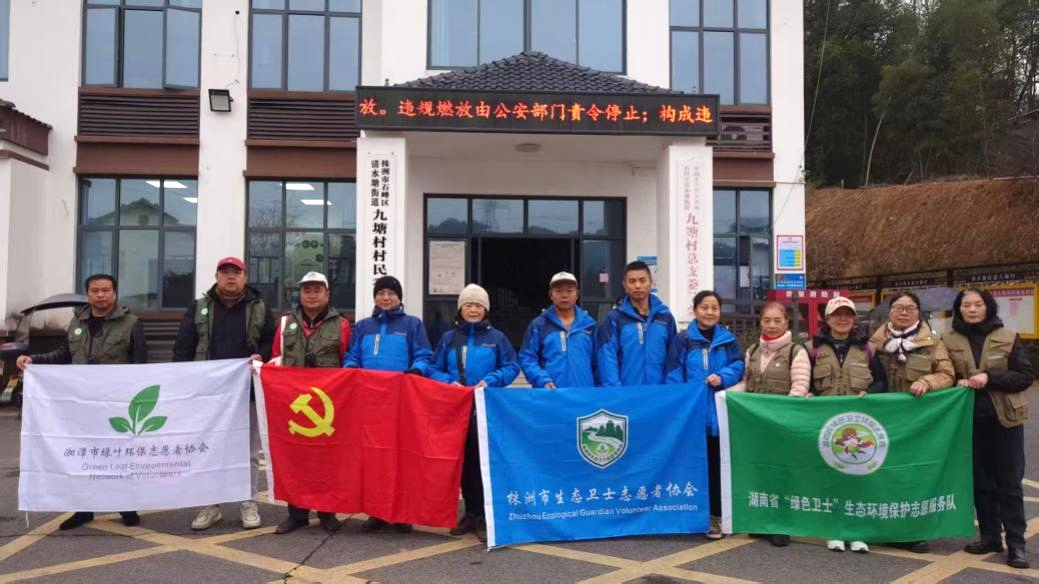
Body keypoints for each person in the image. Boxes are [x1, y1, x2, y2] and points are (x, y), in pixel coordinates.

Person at [16, 274, 147, 531]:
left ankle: (126, 505)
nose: (101, 295)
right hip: (81, 404)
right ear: (88, 294)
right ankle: (83, 508)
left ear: (114, 293)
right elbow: (64, 354)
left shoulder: (131, 323)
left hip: (115, 403)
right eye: (95, 290)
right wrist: (34, 360)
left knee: (118, 455)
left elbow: (140, 364)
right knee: (84, 455)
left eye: (106, 290)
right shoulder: (77, 322)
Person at [172, 256, 276, 531]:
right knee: (209, 449)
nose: (231, 277)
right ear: (217, 277)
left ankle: (248, 501)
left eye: (236, 272)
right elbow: (184, 345)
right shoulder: (199, 307)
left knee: (249, 451)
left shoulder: (260, 307)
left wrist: (262, 355)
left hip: (248, 390)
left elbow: (271, 341)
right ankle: (210, 504)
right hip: (209, 393)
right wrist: (181, 381)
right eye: (225, 272)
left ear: (245, 277)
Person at [942, 288, 1032, 569]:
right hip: (969, 422)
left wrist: (989, 377)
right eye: (966, 305)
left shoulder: (1008, 337)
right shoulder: (948, 339)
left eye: (977, 304)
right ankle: (990, 537)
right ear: (959, 309)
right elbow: (944, 373)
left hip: (1005, 421)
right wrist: (954, 381)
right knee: (981, 484)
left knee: (1009, 485)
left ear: (988, 307)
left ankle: (1016, 544)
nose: (972, 309)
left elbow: (1025, 376)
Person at [343, 275, 434, 533]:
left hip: (401, 401)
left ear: (399, 297)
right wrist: (351, 368)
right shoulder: (363, 326)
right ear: (374, 297)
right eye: (381, 293)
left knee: (402, 457)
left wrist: (416, 370)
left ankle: (402, 513)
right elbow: (352, 354)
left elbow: (424, 355)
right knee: (374, 458)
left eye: (391, 293)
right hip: (369, 403)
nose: (386, 297)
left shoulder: (412, 324)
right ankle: (377, 512)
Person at [430, 284, 520, 543]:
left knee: (482, 461)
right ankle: (469, 513)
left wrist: (491, 380)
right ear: (460, 308)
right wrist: (448, 383)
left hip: (486, 408)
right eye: (468, 304)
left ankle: (482, 515)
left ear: (486, 309)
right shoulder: (449, 338)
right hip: (455, 409)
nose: (473, 309)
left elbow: (512, 366)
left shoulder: (497, 338)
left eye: (478, 305)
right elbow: (433, 368)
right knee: (464, 462)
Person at [869, 291, 954, 554]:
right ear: (889, 311)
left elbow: (947, 374)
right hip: (881, 423)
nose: (903, 312)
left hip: (917, 423)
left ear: (919, 313)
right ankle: (880, 526)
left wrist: (927, 381)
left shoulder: (932, 342)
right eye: (898, 307)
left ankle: (912, 531)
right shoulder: (873, 343)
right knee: (880, 475)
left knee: (912, 476)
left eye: (909, 308)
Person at [269, 272, 351, 535]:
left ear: (327, 294)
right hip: (294, 404)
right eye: (307, 290)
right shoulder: (285, 323)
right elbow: (276, 358)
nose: (312, 295)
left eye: (317, 290)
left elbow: (346, 362)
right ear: (300, 294)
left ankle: (327, 512)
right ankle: (297, 513)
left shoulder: (341, 325)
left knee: (327, 459)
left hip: (327, 404)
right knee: (294, 458)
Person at [726, 301, 810, 548]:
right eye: (766, 320)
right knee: (759, 472)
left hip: (783, 426)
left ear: (786, 322)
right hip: (756, 425)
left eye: (777, 320)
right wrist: (724, 395)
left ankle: (782, 524)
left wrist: (783, 417)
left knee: (782, 474)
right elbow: (746, 383)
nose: (772, 325)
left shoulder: (796, 351)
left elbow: (799, 387)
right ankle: (762, 521)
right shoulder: (753, 350)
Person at [809, 296, 886, 553]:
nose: (842, 319)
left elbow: (881, 381)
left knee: (859, 477)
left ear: (854, 319)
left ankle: (857, 532)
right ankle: (834, 530)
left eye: (848, 314)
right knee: (830, 477)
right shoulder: (812, 348)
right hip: (826, 424)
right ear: (827, 319)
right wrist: (809, 394)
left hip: (859, 424)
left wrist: (870, 393)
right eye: (837, 314)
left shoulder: (867, 348)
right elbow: (805, 382)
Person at [665, 290, 744, 540]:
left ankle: (718, 516)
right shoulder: (683, 340)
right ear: (694, 310)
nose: (709, 312)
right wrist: (682, 400)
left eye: (714, 308)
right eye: (704, 307)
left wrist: (723, 377)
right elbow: (673, 374)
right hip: (692, 416)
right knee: (693, 466)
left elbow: (739, 366)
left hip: (720, 416)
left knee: (718, 467)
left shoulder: (728, 340)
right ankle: (694, 515)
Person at [597, 261, 677, 386]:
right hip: (627, 392)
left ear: (651, 282)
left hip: (659, 392)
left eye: (642, 280)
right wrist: (614, 390)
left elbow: (674, 356)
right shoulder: (615, 318)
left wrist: (671, 388)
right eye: (632, 281)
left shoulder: (665, 317)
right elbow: (607, 357)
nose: (638, 286)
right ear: (625, 285)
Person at [519, 272, 598, 389]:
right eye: (559, 291)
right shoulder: (539, 325)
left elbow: (598, 362)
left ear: (577, 294)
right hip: (550, 394)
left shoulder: (589, 325)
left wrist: (601, 392)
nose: (564, 295)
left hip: (584, 394)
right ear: (551, 294)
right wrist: (542, 380)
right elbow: (527, 358)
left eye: (570, 290)